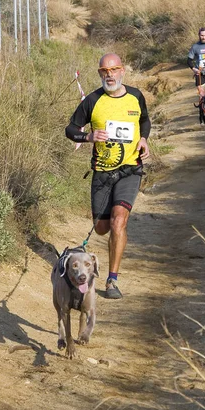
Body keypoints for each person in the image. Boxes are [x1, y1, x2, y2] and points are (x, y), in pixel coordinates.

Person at [65, 53, 151, 300]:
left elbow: (144, 121)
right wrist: (87, 137)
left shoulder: (136, 96)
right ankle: (113, 238)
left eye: (113, 70)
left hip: (130, 170)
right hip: (102, 172)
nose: (109, 75)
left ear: (122, 71)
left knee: (118, 222)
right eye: (104, 71)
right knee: (102, 228)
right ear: (100, 73)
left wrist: (144, 139)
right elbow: (70, 129)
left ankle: (112, 279)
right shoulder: (92, 100)